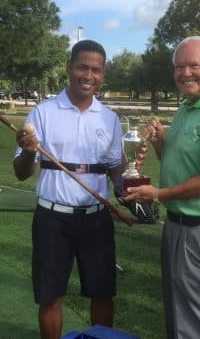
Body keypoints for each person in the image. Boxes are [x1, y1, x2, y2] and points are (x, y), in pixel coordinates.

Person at [124, 36, 200, 339]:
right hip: (180, 226)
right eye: (179, 67)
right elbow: (175, 162)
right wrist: (159, 143)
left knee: (198, 320)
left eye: (194, 65)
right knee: (180, 315)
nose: (186, 73)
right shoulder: (187, 106)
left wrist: (158, 195)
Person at [13, 40, 124, 339]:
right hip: (53, 219)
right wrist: (27, 152)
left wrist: (129, 189)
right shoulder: (42, 112)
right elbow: (22, 173)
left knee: (102, 293)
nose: (89, 76)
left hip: (96, 218)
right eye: (82, 68)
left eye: (96, 70)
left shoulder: (109, 118)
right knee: (50, 295)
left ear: (103, 74)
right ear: (69, 68)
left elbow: (116, 168)